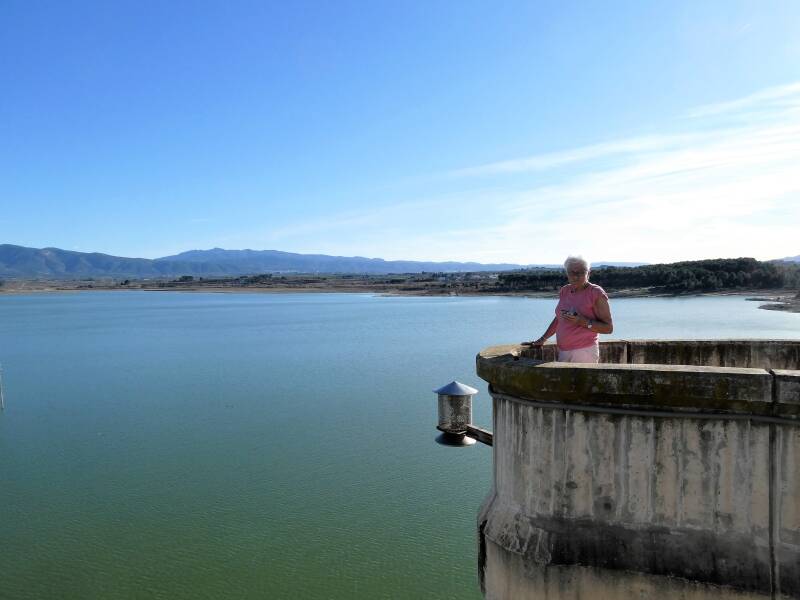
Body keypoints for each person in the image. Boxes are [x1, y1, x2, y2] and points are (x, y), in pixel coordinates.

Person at [524, 256, 613, 363]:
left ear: (588, 273)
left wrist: (582, 321)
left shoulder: (595, 293)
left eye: (580, 272)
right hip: (563, 351)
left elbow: (608, 328)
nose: (575, 276)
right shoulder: (565, 290)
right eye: (572, 272)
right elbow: (559, 319)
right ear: (567, 273)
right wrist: (542, 339)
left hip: (584, 351)